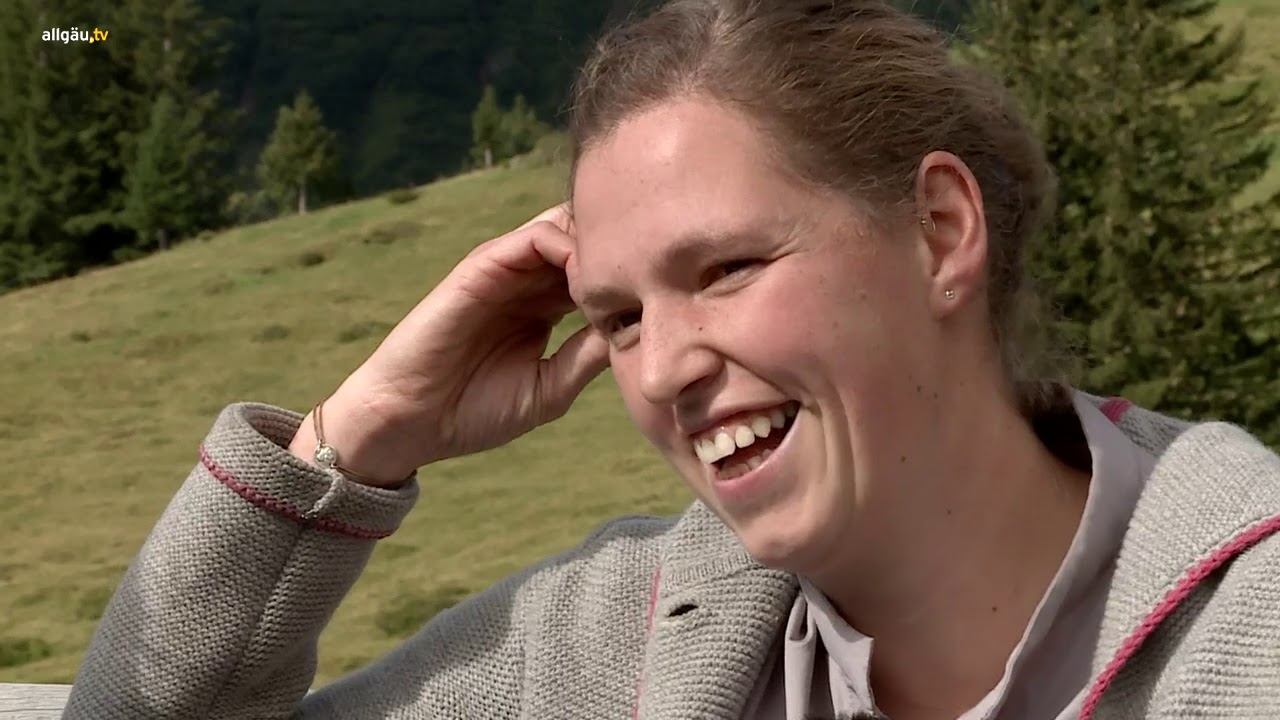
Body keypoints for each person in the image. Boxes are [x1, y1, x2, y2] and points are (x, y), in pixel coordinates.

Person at [49, 1, 1280, 719]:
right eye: (619, 316)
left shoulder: (1252, 632)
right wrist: (350, 445)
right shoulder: (604, 648)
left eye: (727, 268)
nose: (664, 370)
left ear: (939, 233)